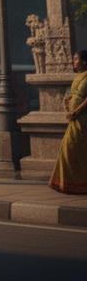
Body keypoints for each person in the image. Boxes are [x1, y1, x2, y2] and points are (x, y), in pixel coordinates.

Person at [50, 49, 87, 194]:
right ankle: (70, 184)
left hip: (83, 120)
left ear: (85, 61)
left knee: (76, 151)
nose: (74, 61)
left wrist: (76, 111)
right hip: (74, 120)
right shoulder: (78, 78)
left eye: (76, 58)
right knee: (69, 151)